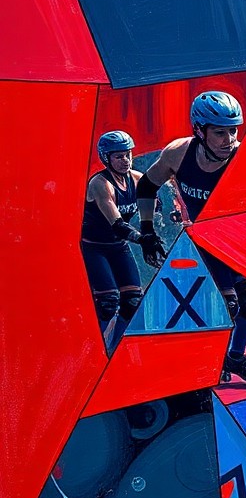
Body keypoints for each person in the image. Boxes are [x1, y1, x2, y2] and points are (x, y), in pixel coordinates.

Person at [135, 91, 246, 386]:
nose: (229, 139)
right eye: (220, 132)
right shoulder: (178, 153)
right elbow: (146, 187)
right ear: (199, 130)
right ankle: (228, 355)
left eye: (233, 130)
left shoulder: (245, 157)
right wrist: (147, 231)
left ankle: (244, 349)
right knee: (227, 305)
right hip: (203, 238)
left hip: (235, 239)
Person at [82, 131, 146, 349]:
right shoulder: (100, 184)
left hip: (118, 247)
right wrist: (144, 239)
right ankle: (94, 349)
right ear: (106, 158)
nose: (125, 160)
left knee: (133, 302)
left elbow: (156, 204)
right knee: (108, 304)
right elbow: (117, 225)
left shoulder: (137, 179)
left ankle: (113, 348)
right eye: (118, 156)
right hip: (94, 248)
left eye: (127, 154)